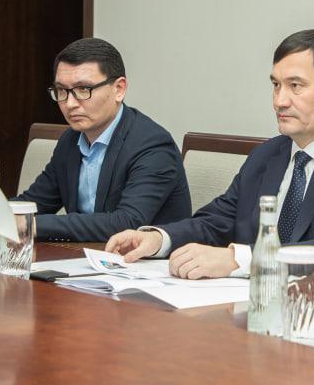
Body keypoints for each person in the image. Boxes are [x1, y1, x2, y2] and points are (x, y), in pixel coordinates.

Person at [106, 29, 314, 293]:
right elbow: (219, 221)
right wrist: (159, 239)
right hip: (269, 306)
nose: (279, 101)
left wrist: (238, 259)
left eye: (295, 86)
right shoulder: (268, 155)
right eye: (276, 85)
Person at [16, 38, 191, 241]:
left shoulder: (153, 145)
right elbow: (34, 203)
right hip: (84, 255)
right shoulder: (70, 140)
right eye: (62, 91)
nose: (70, 103)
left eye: (83, 89)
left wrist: (30, 225)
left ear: (119, 89)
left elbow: (126, 222)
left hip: (144, 259)